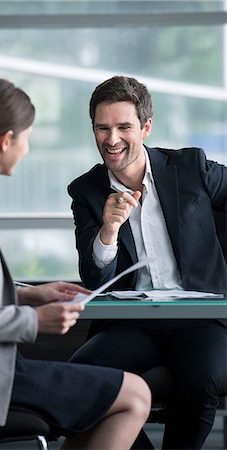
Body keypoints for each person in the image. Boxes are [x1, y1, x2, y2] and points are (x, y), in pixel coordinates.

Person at [0, 78, 152, 450]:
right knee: (136, 395)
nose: (27, 148)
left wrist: (30, 297)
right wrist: (35, 321)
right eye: (27, 138)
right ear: (6, 140)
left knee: (114, 396)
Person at [68, 75, 227, 449]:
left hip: (201, 318)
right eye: (102, 128)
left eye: (124, 127)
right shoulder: (87, 191)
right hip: (132, 323)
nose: (112, 139)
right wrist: (108, 229)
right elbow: (94, 279)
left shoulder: (191, 167)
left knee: (200, 379)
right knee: (78, 381)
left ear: (146, 127)